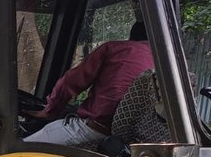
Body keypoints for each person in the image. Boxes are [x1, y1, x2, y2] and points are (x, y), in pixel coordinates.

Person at [24, 22, 154, 147]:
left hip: (95, 130)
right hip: (133, 141)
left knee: (19, 150)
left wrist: (50, 110)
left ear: (131, 38)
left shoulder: (115, 49)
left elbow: (71, 81)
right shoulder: (161, 60)